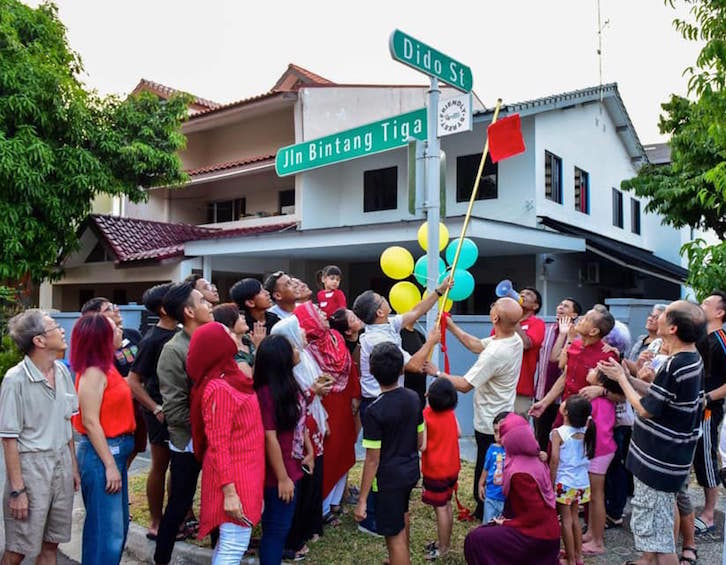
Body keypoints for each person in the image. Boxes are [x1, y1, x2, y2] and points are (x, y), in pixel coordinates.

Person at [598, 300, 705, 565]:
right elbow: (660, 396)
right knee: (658, 526)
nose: (657, 317)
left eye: (664, 314)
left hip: (658, 462)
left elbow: (646, 410)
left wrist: (622, 380)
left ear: (672, 327)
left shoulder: (675, 365)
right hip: (670, 460)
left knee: (658, 537)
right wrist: (626, 375)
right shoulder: (690, 359)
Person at [351, 280, 448, 533]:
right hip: (376, 403)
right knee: (378, 461)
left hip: (388, 400)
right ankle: (371, 516)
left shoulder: (386, 324)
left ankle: (386, 510)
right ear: (379, 312)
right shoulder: (379, 338)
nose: (386, 298)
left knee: (387, 459)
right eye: (381, 298)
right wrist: (432, 342)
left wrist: (438, 291)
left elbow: (417, 311)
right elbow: (414, 366)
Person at [426, 296, 523, 521]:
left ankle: (485, 510)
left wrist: (436, 373)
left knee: (487, 465)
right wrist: (450, 326)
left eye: (493, 306)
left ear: (495, 317)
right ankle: (487, 507)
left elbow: (464, 385)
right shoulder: (512, 338)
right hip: (500, 412)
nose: (491, 307)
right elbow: (476, 345)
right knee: (490, 463)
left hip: (490, 421)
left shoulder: (497, 352)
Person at [0, 310, 79, 565]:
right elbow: (9, 438)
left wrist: (73, 468)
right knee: (18, 548)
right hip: (32, 469)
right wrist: (17, 490)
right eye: (55, 326)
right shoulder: (15, 380)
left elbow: (67, 424)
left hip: (62, 465)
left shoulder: (63, 372)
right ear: (39, 341)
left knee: (51, 544)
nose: (62, 330)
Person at [186, 322, 265, 565]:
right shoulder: (219, 388)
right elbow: (218, 444)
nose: (233, 334)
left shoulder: (231, 376)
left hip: (247, 470)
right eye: (227, 333)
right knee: (234, 543)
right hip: (235, 476)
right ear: (217, 346)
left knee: (232, 542)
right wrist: (229, 493)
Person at [154, 282, 212, 565]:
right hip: (188, 439)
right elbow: (174, 407)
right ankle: (161, 558)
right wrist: (204, 426)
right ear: (189, 311)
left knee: (215, 498)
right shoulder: (174, 350)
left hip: (215, 436)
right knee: (179, 503)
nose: (209, 305)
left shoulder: (212, 339)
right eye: (203, 301)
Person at [71, 314, 136, 564]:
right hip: (103, 456)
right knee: (106, 534)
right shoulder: (93, 372)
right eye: (115, 329)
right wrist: (109, 464)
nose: (121, 332)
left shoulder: (107, 366)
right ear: (101, 338)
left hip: (113, 453)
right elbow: (89, 421)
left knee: (115, 531)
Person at [354, 343, 424, 565]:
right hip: (411, 471)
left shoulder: (374, 411)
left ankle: (399, 557)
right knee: (401, 515)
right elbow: (421, 440)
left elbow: (373, 460)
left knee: (394, 536)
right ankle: (400, 559)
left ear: (372, 373)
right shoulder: (413, 397)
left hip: (388, 479)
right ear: (401, 369)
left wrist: (362, 499)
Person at [271, 314, 331, 559]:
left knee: (315, 477)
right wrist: (314, 390)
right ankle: (294, 538)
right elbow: (295, 402)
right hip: (300, 431)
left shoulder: (305, 355)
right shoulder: (287, 365)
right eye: (301, 330)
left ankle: (310, 527)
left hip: (313, 425)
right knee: (304, 481)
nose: (305, 333)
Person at [464, 414, 560, 565]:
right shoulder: (533, 458)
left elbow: (535, 515)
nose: (501, 440)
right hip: (545, 532)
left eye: (503, 435)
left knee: (476, 539)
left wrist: (506, 524)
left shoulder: (520, 473)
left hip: (538, 536)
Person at [295, 304, 360, 523]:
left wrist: (354, 395)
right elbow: (313, 381)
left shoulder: (335, 336)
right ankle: (322, 509)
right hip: (324, 406)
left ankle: (335, 503)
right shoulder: (307, 350)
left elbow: (350, 368)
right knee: (329, 454)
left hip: (344, 404)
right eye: (316, 312)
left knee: (343, 450)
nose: (323, 313)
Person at [254, 335, 314, 565]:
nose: (297, 351)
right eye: (292, 349)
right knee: (276, 528)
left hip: (293, 463)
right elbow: (270, 438)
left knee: (281, 524)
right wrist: (282, 477)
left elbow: (299, 421)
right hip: (279, 471)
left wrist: (308, 450)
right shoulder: (267, 394)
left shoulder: (289, 384)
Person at [125, 283, 177, 540]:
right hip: (159, 412)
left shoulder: (180, 334)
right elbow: (133, 381)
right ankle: (156, 521)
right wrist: (155, 408)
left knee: (179, 467)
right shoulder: (152, 339)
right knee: (160, 465)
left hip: (179, 411)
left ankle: (180, 514)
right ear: (165, 309)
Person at [529, 305, 618, 430]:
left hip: (589, 422)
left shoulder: (608, 356)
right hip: (564, 413)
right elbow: (565, 376)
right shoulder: (574, 345)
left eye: (586, 319)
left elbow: (620, 396)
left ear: (594, 331)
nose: (580, 319)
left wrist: (601, 391)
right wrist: (544, 403)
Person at [81, 297, 146, 461]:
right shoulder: (95, 358)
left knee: (134, 446)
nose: (116, 309)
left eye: (114, 305)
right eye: (108, 308)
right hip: (116, 409)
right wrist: (133, 383)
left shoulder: (133, 334)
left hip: (139, 403)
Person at [693, 291, 726, 536]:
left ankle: (709, 513)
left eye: (706, 303)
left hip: (707, 411)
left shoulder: (722, 340)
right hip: (693, 409)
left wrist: (706, 398)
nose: (700, 305)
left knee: (706, 459)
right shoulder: (701, 338)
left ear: (720, 312)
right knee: (697, 459)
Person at [549, 395, 595, 565]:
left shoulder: (558, 433)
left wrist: (550, 481)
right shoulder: (586, 430)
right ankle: (579, 556)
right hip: (582, 483)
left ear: (566, 412)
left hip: (564, 483)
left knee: (566, 521)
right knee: (575, 518)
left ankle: (570, 557)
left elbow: (554, 460)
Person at [421, 378, 461, 561]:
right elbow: (459, 433)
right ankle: (444, 542)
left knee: (441, 509)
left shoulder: (426, 415)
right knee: (447, 504)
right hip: (452, 467)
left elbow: (422, 446)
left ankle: (443, 548)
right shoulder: (451, 413)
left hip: (436, 470)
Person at [534, 297, 583, 450]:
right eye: (560, 304)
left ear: (574, 315)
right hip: (543, 394)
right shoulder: (547, 330)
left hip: (565, 398)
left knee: (561, 442)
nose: (560, 307)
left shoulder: (580, 335)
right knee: (541, 439)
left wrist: (567, 335)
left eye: (566, 306)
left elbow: (557, 360)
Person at [511, 287, 546, 416]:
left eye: (528, 294)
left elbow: (525, 344)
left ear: (535, 306)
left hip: (521, 388)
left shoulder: (537, 323)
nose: (522, 295)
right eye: (521, 293)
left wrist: (513, 319)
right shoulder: (506, 321)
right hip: (499, 387)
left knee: (517, 430)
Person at [212, 302, 264, 369]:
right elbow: (250, 377)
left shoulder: (249, 339)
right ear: (229, 322)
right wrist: (258, 348)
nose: (243, 317)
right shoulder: (230, 352)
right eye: (238, 316)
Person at [478, 411, 508, 525]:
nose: (498, 436)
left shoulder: (513, 450)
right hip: (491, 495)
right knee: (488, 523)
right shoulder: (492, 449)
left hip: (506, 498)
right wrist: (481, 484)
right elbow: (486, 467)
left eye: (502, 431)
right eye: (496, 432)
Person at [400, 319, 427, 412]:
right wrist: (432, 340)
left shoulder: (420, 336)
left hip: (419, 396)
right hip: (404, 398)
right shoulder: (397, 336)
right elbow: (412, 365)